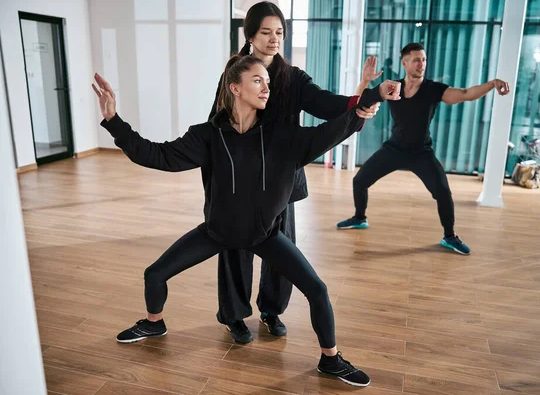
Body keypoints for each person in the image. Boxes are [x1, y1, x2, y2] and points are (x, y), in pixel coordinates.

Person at [92, 55, 400, 386]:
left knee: (318, 290)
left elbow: (332, 129)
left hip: (265, 236)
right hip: (216, 233)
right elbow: (157, 156)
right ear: (235, 88)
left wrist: (373, 96)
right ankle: (155, 323)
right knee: (154, 275)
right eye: (257, 81)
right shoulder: (207, 136)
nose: (266, 87)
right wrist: (113, 119)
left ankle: (331, 359)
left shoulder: (282, 136)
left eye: (267, 82)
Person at [208, 1, 381, 344]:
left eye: (280, 32)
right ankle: (234, 315)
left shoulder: (293, 78)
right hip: (238, 179)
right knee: (235, 247)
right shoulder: (234, 75)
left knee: (282, 248)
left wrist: (362, 98)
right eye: (266, 32)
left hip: (281, 180)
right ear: (251, 35)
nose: (274, 39)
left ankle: (271, 310)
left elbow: (328, 104)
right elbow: (217, 123)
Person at [337, 43, 511, 256]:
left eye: (424, 60)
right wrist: (365, 81)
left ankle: (450, 236)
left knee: (443, 193)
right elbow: (361, 101)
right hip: (394, 149)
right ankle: (360, 218)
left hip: (421, 153)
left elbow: (466, 94)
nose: (422, 64)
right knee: (359, 181)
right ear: (405, 62)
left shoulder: (433, 89)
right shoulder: (392, 87)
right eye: (417, 59)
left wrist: (492, 83)